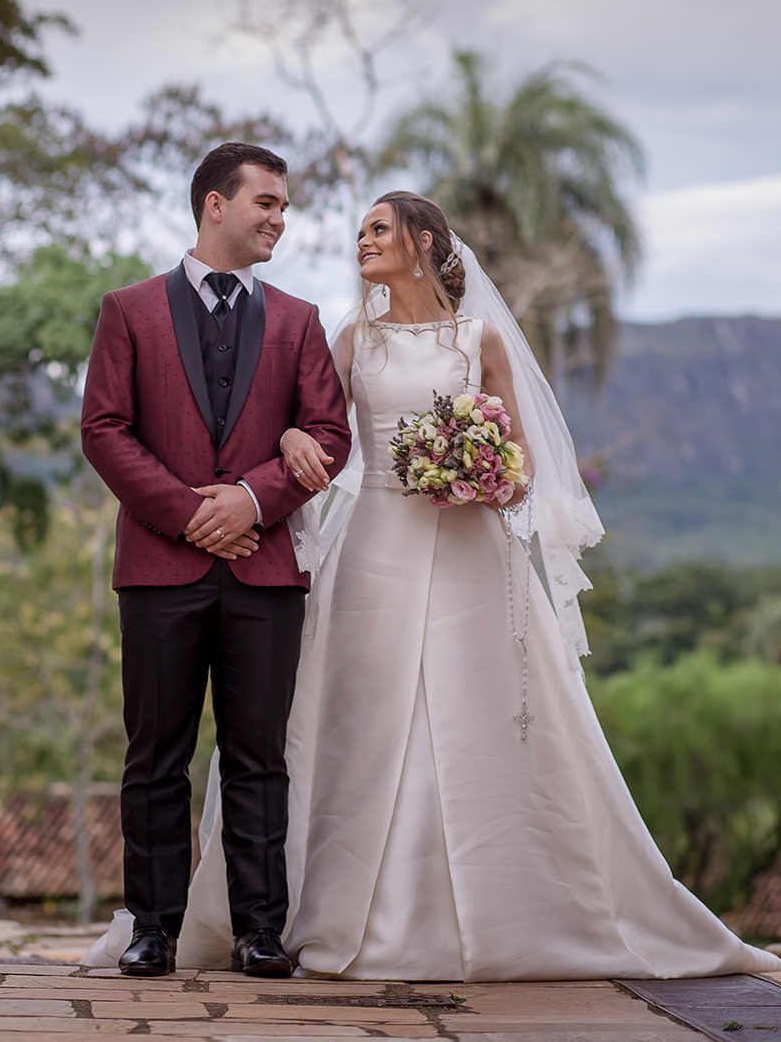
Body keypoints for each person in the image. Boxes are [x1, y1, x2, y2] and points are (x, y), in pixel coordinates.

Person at [172, 189, 781, 981]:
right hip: (375, 548)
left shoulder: (478, 338)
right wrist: (289, 434)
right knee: (357, 712)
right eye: (360, 231)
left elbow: (523, 458)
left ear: (423, 241)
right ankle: (337, 911)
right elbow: (314, 428)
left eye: (379, 229)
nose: (363, 240)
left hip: (468, 546)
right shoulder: (354, 338)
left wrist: (484, 473)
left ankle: (513, 914)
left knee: (473, 712)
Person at [80, 142, 350, 979]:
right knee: (154, 755)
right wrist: (196, 514)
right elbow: (104, 430)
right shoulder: (127, 310)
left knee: (259, 756)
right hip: (160, 569)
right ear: (214, 206)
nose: (279, 219)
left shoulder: (302, 321)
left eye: (285, 207)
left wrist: (254, 500)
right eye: (266, 203)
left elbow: (332, 437)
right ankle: (151, 928)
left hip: (267, 573)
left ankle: (259, 930)